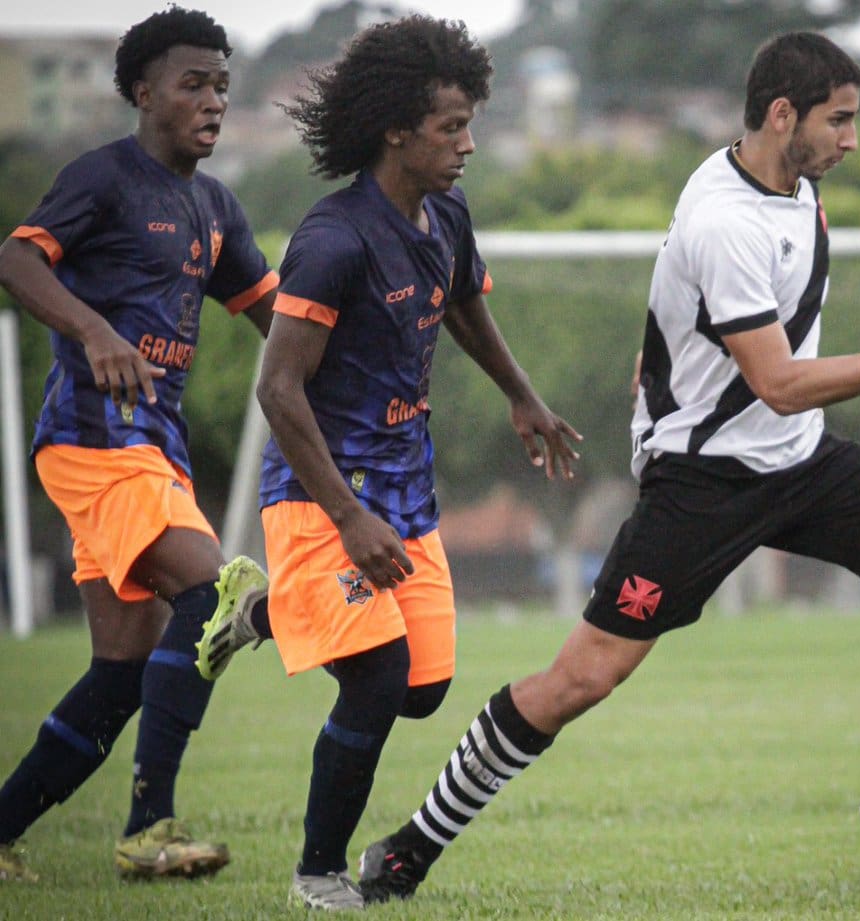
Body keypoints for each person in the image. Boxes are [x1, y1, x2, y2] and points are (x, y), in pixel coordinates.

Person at [354, 31, 860, 904]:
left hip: (799, 461)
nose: (852, 139)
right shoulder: (725, 219)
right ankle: (410, 845)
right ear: (784, 115)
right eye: (841, 119)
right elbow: (778, 383)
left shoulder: (792, 181)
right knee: (580, 680)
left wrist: (661, 359)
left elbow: (689, 308)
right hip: (704, 483)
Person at [239, 15, 580, 911]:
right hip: (322, 499)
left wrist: (523, 394)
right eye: (451, 128)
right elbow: (279, 391)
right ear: (396, 129)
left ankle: (269, 609)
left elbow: (462, 300)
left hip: (403, 489)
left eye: (470, 125)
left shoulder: (447, 211)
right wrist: (348, 519)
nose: (468, 144)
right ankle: (318, 870)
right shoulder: (332, 237)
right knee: (379, 675)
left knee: (423, 690)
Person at [0, 7, 276, 882]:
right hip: (92, 440)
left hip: (154, 449)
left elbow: (280, 316)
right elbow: (15, 259)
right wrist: (94, 332)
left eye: (222, 85)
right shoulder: (103, 179)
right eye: (193, 83)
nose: (212, 100)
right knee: (217, 593)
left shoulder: (213, 206)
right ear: (143, 91)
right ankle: (150, 827)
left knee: (123, 670)